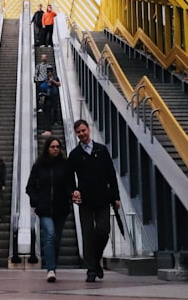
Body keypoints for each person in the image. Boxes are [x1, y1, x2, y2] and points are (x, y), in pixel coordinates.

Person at [68, 119, 120, 283]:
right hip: (85, 200)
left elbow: (111, 174)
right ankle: (91, 269)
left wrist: (116, 196)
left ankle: (95, 259)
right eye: (78, 132)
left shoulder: (101, 150)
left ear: (88, 130)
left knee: (103, 230)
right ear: (76, 134)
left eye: (83, 130)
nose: (82, 134)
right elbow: (69, 177)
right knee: (87, 233)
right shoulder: (75, 155)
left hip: (103, 198)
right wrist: (73, 190)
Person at [26, 136, 73, 283]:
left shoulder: (65, 165)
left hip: (61, 208)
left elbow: (70, 184)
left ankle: (53, 266)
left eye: (58, 147)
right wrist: (36, 201)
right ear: (47, 148)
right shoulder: (39, 165)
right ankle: (50, 269)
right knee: (50, 235)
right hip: (44, 209)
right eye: (52, 147)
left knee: (56, 240)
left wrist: (72, 194)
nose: (55, 149)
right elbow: (30, 186)